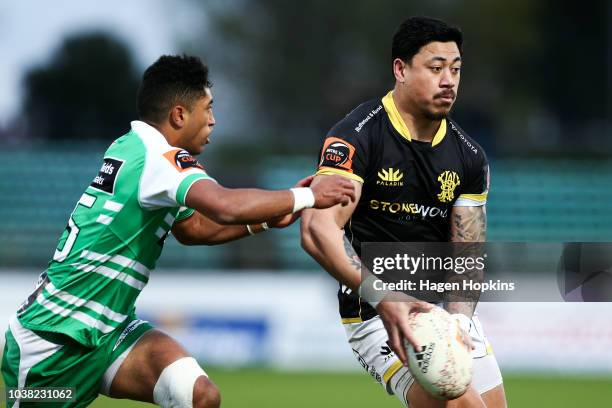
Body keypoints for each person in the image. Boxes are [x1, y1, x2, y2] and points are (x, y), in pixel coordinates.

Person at [1, 55, 355, 408]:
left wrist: (265, 219)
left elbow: (193, 228)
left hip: (108, 335)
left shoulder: (131, 147)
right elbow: (223, 205)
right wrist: (307, 196)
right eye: (208, 109)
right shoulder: (160, 158)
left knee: (199, 395)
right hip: (50, 346)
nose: (213, 121)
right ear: (179, 115)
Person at [301, 17, 507, 408]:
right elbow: (317, 230)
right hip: (375, 312)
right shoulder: (357, 136)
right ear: (401, 69)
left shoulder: (470, 157)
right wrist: (384, 296)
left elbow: (467, 253)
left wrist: (460, 322)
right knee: (463, 405)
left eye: (456, 69)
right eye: (435, 68)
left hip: (442, 313)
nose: (448, 80)